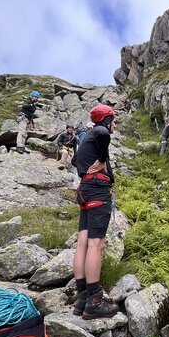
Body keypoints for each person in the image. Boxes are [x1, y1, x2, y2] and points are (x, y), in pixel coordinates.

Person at [72, 104, 120, 320]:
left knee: (83, 241)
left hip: (85, 189)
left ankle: (82, 297)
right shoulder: (100, 131)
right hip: (97, 190)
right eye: (113, 121)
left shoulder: (85, 138)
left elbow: (75, 161)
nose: (115, 125)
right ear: (107, 120)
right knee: (96, 244)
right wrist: (101, 161)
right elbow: (102, 133)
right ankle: (94, 302)